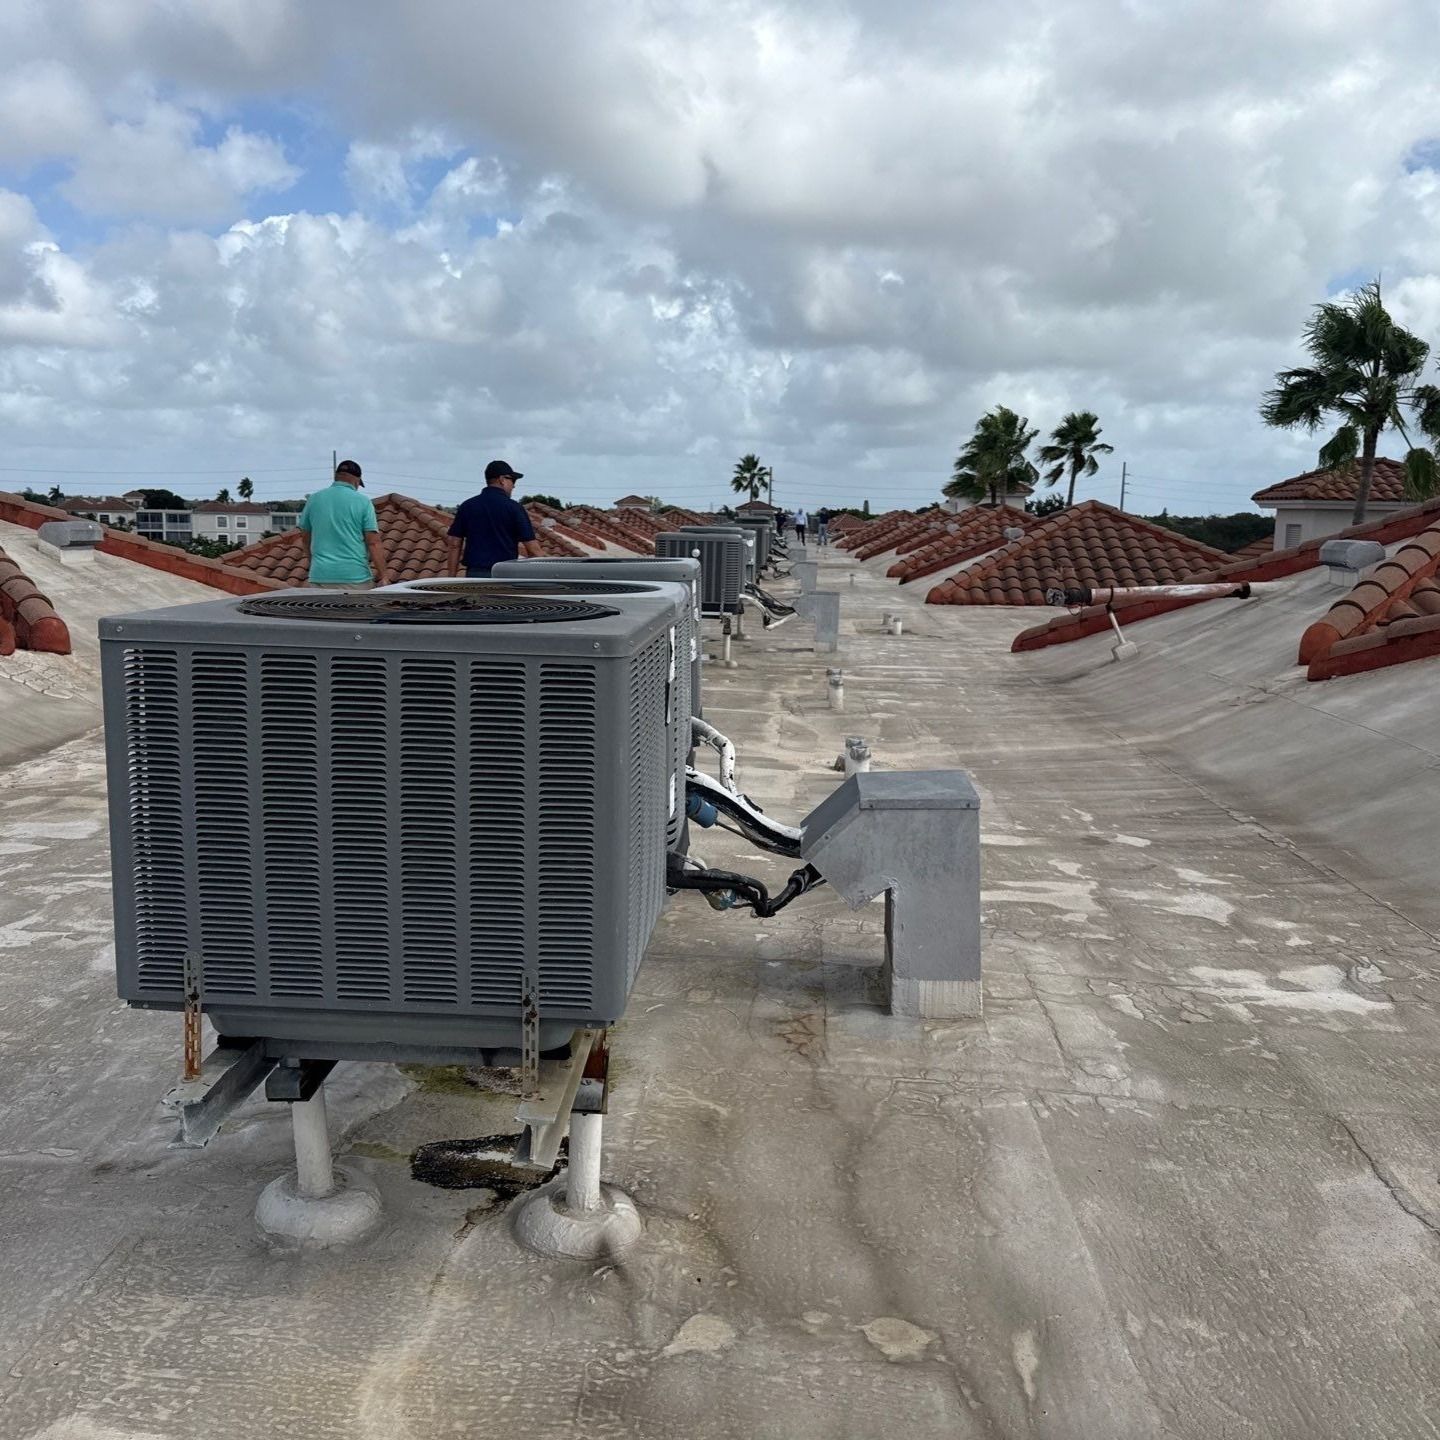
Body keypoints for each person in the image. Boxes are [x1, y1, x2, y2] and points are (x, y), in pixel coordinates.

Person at [298, 459, 390, 588]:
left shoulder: (314, 499)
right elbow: (373, 542)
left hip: (320, 576)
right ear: (356, 480)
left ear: (337, 477)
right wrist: (384, 576)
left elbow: (305, 537)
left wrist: (314, 563)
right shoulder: (363, 502)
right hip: (354, 577)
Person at [446, 460, 543, 577]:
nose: (514, 485)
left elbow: (454, 544)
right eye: (512, 480)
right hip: (505, 576)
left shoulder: (467, 506)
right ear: (502, 479)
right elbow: (533, 550)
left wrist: (451, 577)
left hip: (475, 576)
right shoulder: (514, 508)